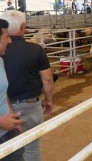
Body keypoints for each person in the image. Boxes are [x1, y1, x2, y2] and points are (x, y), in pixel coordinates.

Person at [0, 11, 55, 161]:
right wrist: (49, 100)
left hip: (7, 108)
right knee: (32, 146)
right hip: (29, 105)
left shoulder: (2, 56)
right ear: (23, 26)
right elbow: (47, 79)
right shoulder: (35, 49)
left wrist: (9, 109)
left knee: (12, 151)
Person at [0, 18, 24, 161]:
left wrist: (12, 115)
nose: (10, 41)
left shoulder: (0, 61)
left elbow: (3, 93)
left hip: (8, 133)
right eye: (6, 37)